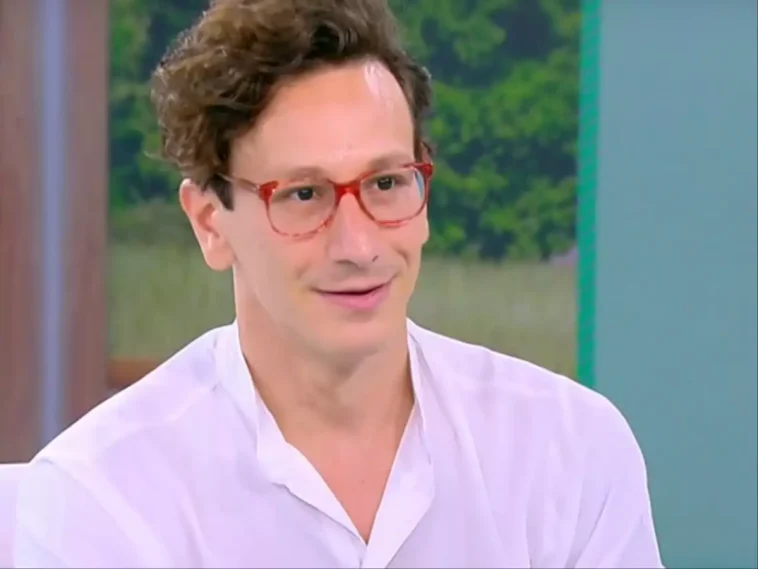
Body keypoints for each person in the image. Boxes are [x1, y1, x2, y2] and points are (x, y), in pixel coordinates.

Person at [13, 0, 663, 567]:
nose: (358, 245)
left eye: (386, 183)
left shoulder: (569, 451)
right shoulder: (100, 499)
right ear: (210, 222)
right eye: (304, 194)